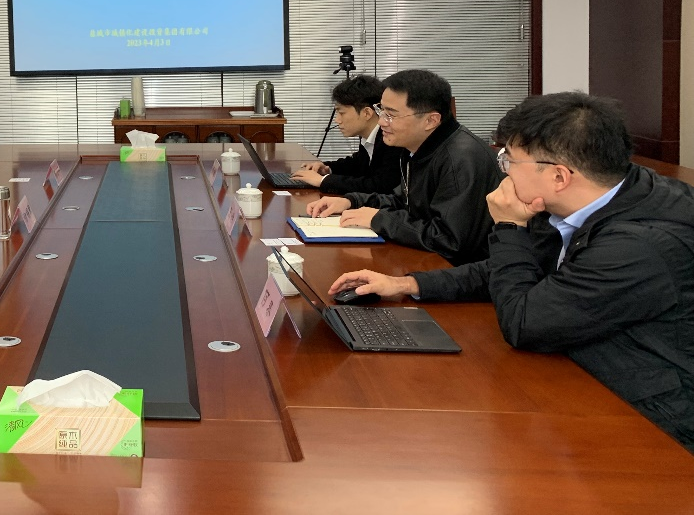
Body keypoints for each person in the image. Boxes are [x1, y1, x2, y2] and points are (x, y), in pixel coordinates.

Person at [328, 92, 694, 452]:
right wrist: (406, 283)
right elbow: (511, 266)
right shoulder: (582, 200)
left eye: (509, 161)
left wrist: (508, 226)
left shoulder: (639, 245)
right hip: (584, 374)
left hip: (653, 424)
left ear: (559, 176)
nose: (501, 171)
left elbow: (525, 324)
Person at [306, 69, 501, 266]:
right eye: (381, 111)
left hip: (461, 271)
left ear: (431, 120)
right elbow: (404, 201)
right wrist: (352, 201)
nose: (381, 121)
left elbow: (449, 240)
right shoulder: (416, 146)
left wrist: (380, 220)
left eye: (391, 115)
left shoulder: (460, 160)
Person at [291, 74, 405, 194]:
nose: (337, 120)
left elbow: (378, 186)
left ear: (366, 113)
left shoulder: (392, 140)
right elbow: (357, 164)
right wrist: (327, 169)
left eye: (342, 113)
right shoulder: (370, 136)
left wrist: (324, 181)